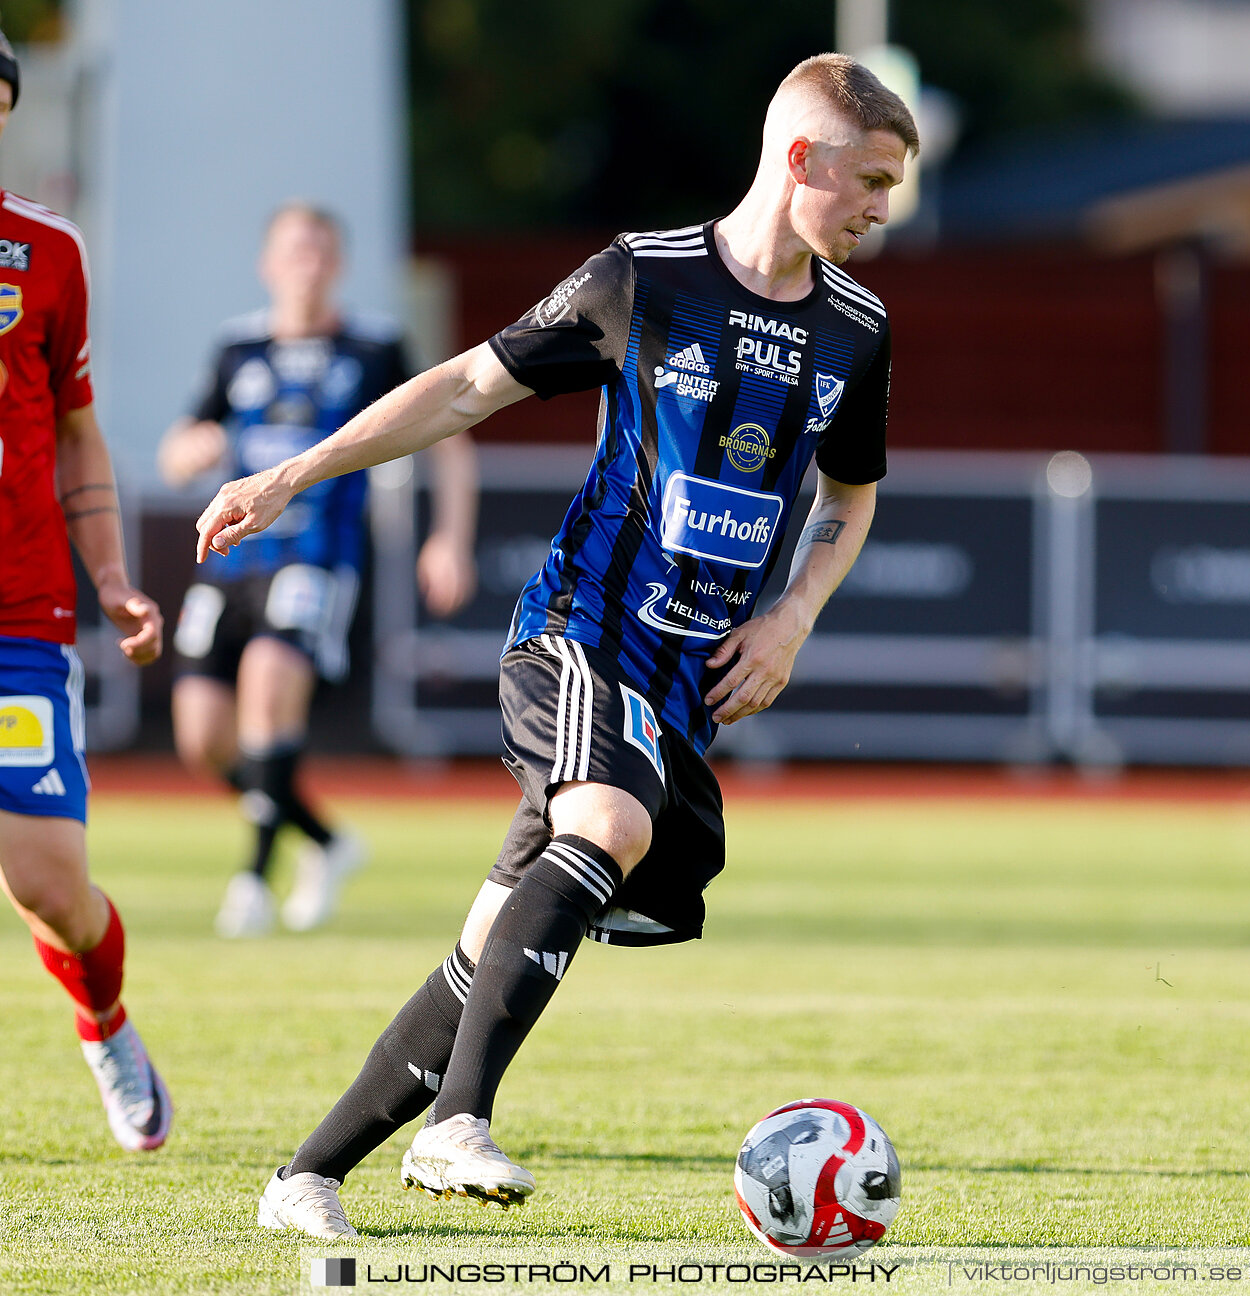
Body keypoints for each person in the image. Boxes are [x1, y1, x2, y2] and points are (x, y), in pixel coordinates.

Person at [197, 52, 915, 1239]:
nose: (885, 211)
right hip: (580, 634)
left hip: (686, 686)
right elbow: (467, 388)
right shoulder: (643, 277)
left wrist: (793, 614)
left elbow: (851, 499)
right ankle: (456, 1126)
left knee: (491, 951)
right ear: (802, 159)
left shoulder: (859, 330)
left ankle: (305, 1176)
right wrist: (294, 470)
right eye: (874, 181)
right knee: (609, 825)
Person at [160, 203, 479, 937]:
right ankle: (328, 843)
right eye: (291, 250)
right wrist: (187, 454)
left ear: (338, 264)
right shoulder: (238, 346)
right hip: (231, 559)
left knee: (269, 699)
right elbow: (187, 436)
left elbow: (450, 434)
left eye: (319, 250)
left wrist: (448, 538)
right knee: (201, 738)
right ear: (267, 264)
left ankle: (251, 882)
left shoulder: (373, 347)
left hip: (318, 557)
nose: (305, 263)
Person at [0, 28, 173, 1151]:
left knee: (48, 882)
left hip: (18, 613)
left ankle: (103, 1020)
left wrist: (111, 576)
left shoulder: (47, 251)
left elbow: (77, 431)